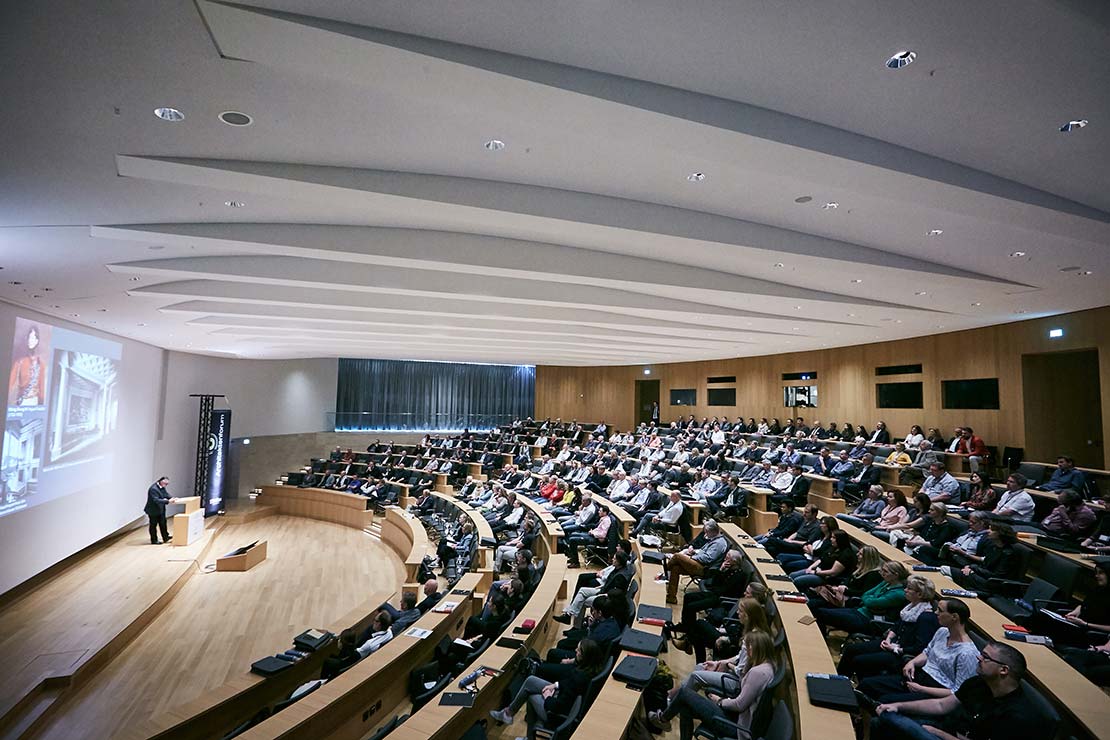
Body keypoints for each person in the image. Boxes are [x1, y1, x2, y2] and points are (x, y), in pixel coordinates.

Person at [874, 641, 1050, 740]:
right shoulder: (978, 682)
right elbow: (941, 705)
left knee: (893, 722)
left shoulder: (1019, 716)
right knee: (883, 719)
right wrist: (898, 706)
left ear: (1003, 670)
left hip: (948, 736)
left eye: (986, 657)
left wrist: (937, 733)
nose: (978, 658)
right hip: (949, 730)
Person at [650, 630, 777, 740]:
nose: (746, 651)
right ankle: (663, 719)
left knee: (684, 693)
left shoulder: (757, 673)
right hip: (737, 718)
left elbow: (739, 705)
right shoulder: (768, 667)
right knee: (684, 707)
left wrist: (720, 701)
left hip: (736, 727)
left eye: (748, 647)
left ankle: (663, 719)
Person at [859, 598, 979, 703]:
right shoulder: (942, 631)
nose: (935, 613)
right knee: (867, 684)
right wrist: (913, 662)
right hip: (919, 677)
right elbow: (927, 652)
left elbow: (958, 692)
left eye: (940, 611)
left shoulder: (967, 653)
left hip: (934, 692)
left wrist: (921, 689)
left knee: (885, 700)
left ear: (954, 617)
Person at [489, 639, 605, 733]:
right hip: (560, 695)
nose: (575, 651)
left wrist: (547, 697)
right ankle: (508, 713)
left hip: (557, 715)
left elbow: (558, 707)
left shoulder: (579, 677)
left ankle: (530, 736)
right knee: (531, 681)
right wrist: (555, 685)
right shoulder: (590, 669)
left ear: (585, 657)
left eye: (578, 650)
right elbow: (567, 682)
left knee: (531, 697)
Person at [837, 576, 939, 680]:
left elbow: (919, 647)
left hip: (901, 653)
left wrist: (895, 648)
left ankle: (861, 686)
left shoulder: (926, 617)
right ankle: (838, 680)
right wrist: (888, 639)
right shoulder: (910, 606)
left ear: (919, 594)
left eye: (909, 588)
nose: (905, 590)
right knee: (852, 649)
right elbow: (897, 626)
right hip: (891, 643)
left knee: (859, 660)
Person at [814, 560, 909, 634]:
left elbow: (870, 602)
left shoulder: (898, 594)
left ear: (895, 575)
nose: (882, 573)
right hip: (860, 611)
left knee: (821, 613)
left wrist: (869, 598)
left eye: (885, 571)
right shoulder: (886, 582)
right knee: (819, 611)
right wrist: (869, 598)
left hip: (869, 621)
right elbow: (866, 594)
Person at [656, 519, 729, 604]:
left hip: (704, 568)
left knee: (677, 556)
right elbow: (703, 552)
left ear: (712, 532)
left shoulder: (719, 544)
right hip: (699, 562)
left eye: (706, 532)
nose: (705, 535)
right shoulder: (714, 538)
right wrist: (694, 552)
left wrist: (692, 556)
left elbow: (708, 558)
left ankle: (663, 573)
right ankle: (671, 597)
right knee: (676, 568)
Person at [8, 324, 46, 406]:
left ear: (37, 340)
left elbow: (42, 389)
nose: (31, 340)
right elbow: (9, 384)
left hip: (34, 402)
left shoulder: (41, 364)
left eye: (33, 338)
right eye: (29, 337)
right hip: (22, 402)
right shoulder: (19, 361)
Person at [144, 476, 176, 545]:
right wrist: (168, 501)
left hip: (160, 509)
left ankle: (166, 537)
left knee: (163, 523)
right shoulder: (153, 489)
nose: (166, 485)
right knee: (153, 525)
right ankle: (154, 540)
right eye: (165, 484)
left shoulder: (162, 487)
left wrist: (172, 498)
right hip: (153, 510)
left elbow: (165, 494)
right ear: (161, 482)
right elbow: (156, 500)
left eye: (167, 484)